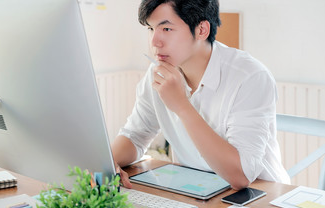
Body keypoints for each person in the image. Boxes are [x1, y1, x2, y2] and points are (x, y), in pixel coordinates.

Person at [111, 0, 290, 190]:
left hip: (259, 196)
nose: (155, 41)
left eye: (166, 29)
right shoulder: (158, 73)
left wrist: (181, 105)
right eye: (150, 28)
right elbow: (136, 135)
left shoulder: (250, 77)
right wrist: (107, 164)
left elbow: (241, 176)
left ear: (202, 30)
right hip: (197, 190)